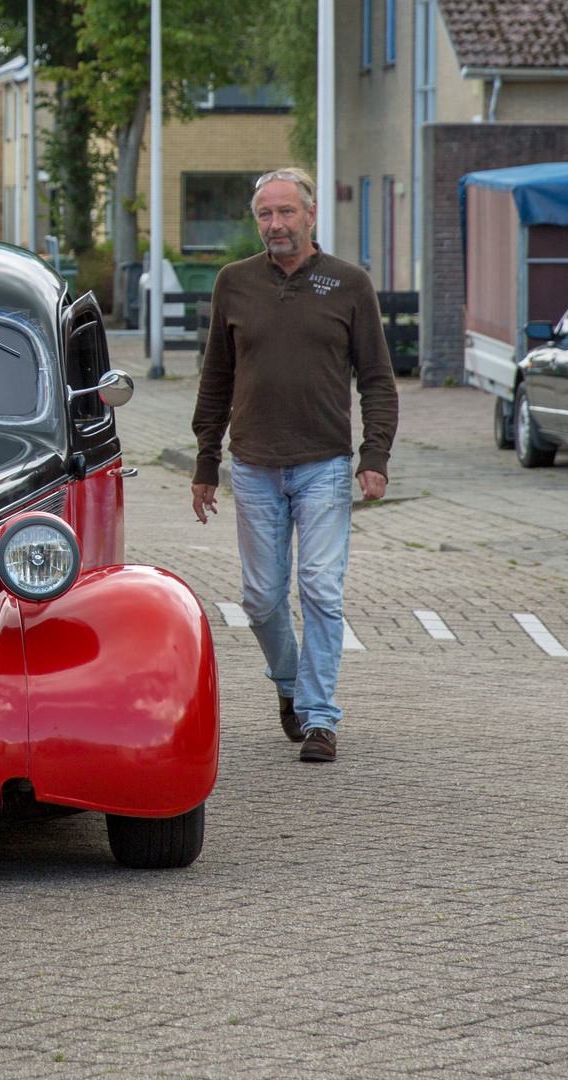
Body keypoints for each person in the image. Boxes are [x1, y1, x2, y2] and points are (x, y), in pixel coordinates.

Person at [190, 168, 399, 764]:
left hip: (325, 467)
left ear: (310, 216)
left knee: (320, 590)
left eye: (285, 213)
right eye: (264, 215)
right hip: (254, 465)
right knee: (260, 598)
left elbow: (378, 379)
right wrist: (206, 460)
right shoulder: (234, 283)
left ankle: (319, 718)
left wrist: (374, 455)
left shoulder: (350, 284)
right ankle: (289, 682)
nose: (275, 225)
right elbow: (216, 378)